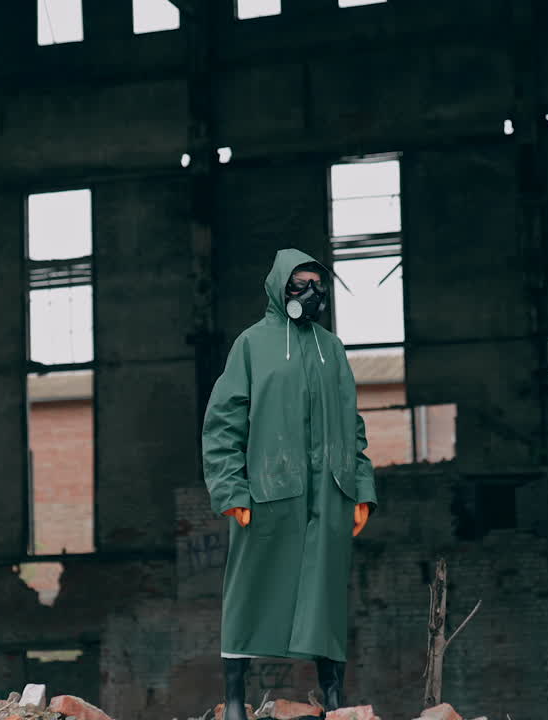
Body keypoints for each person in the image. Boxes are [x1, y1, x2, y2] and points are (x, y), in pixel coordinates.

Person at [202, 248, 377, 720]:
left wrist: (361, 489)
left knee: (324, 593)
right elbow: (223, 424)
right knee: (250, 589)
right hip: (267, 494)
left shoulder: (333, 349)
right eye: (299, 284)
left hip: (330, 494)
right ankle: (235, 698)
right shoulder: (252, 345)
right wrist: (231, 491)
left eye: (318, 286)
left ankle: (333, 696)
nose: (310, 294)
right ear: (279, 288)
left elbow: (353, 426)